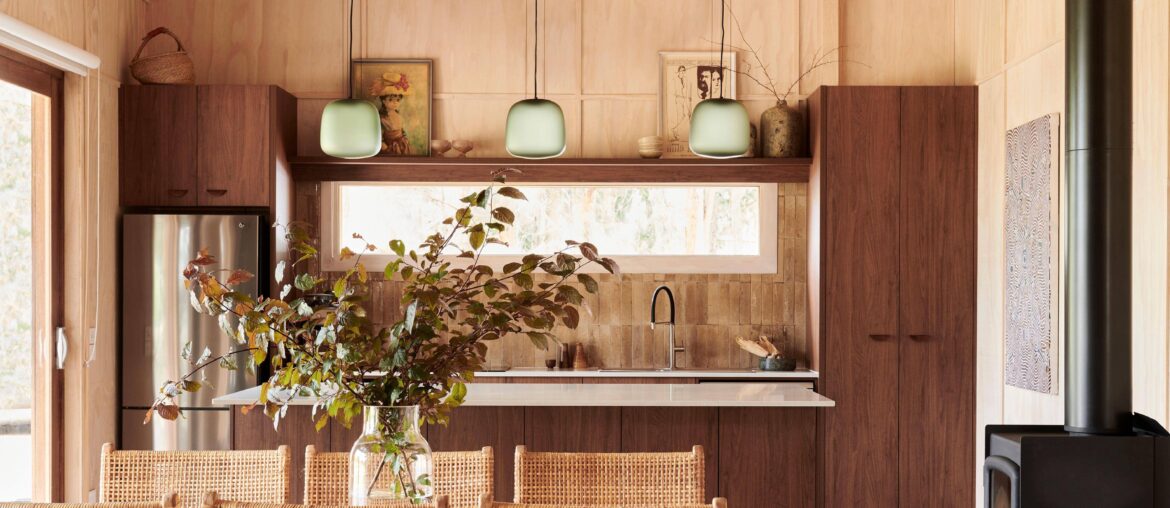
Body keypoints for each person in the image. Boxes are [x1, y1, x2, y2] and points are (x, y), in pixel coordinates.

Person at [369, 71, 413, 155]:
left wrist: (405, 137)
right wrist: (382, 144)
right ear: (383, 101)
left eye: (397, 100)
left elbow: (401, 129)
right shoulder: (381, 117)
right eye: (390, 100)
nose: (395, 103)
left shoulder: (398, 115)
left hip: (401, 144)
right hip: (389, 146)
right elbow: (378, 132)